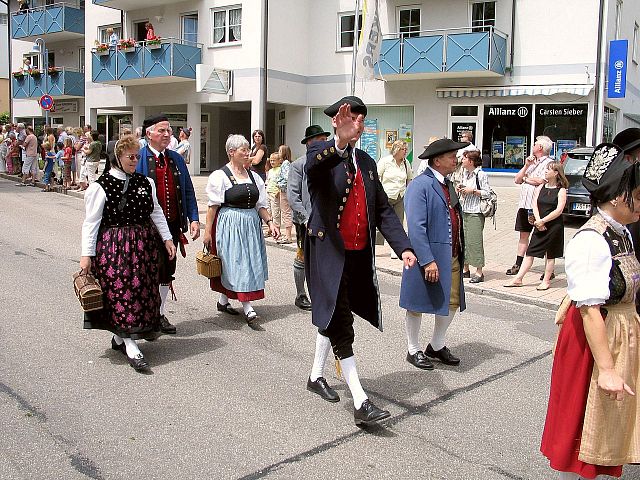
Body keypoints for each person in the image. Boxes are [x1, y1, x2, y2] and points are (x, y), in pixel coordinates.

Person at [304, 96, 416, 425]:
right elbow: (315, 167)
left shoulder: (367, 163)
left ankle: (314, 376)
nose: (358, 125)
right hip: (327, 253)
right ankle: (360, 401)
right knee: (341, 322)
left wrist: (404, 246)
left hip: (356, 257)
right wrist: (337, 141)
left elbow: (382, 209)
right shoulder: (320, 153)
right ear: (338, 122)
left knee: (331, 315)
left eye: (362, 121)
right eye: (352, 119)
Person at [541, 143, 640, 479]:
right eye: (637, 196)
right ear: (615, 198)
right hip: (594, 341)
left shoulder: (621, 232)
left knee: (609, 423)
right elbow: (589, 311)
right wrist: (608, 369)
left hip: (615, 333)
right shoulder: (591, 240)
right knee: (582, 424)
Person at [80, 135, 176, 372]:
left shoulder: (145, 183)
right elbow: (91, 224)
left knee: (141, 291)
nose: (135, 161)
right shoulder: (100, 187)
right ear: (116, 158)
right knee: (122, 294)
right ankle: (131, 346)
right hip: (115, 249)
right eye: (130, 157)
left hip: (144, 248)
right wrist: (86, 254)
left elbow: (156, 212)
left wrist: (167, 238)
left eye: (137, 156)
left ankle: (120, 337)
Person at [400, 138, 469, 371]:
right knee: (417, 303)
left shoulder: (447, 183)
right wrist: (427, 260)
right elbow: (416, 227)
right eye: (451, 156)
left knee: (452, 302)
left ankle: (436, 345)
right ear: (437, 161)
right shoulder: (420, 185)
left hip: (451, 253)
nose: (456, 160)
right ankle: (413, 349)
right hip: (426, 255)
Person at [203, 134, 278, 327]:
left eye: (247, 150)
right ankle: (247, 307)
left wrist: (270, 222)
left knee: (247, 262)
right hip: (230, 225)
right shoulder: (220, 176)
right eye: (243, 150)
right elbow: (212, 207)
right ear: (231, 153)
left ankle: (223, 300)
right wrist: (207, 232)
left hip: (251, 225)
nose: (247, 154)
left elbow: (260, 205)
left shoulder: (254, 176)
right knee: (236, 263)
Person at [136, 114, 200, 334]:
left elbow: (188, 190)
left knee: (167, 270)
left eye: (169, 130)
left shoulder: (176, 158)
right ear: (149, 134)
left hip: (172, 225)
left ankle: (160, 314)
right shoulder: (139, 158)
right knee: (146, 271)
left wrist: (194, 219)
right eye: (162, 130)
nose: (167, 134)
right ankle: (144, 314)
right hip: (145, 228)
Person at [505, 162, 568, 290]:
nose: (545, 172)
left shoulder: (561, 190)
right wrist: (538, 221)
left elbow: (559, 210)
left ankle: (546, 281)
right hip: (539, 225)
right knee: (530, 252)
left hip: (553, 226)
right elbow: (534, 203)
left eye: (548, 170)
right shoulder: (541, 187)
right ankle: (518, 279)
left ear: (556, 173)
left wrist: (544, 221)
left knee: (550, 255)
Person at [287, 125, 329, 311]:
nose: (323, 143)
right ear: (309, 143)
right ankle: (300, 294)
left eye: (324, 140)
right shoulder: (299, 165)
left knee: (325, 258)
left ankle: (322, 293)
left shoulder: (329, 163)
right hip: (306, 221)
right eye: (319, 140)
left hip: (326, 219)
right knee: (303, 257)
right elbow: (293, 196)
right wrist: (304, 218)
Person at [507, 136, 554, 276]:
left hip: (538, 206)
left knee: (543, 236)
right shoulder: (531, 162)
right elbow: (517, 179)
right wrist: (526, 166)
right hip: (524, 204)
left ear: (540, 148)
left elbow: (541, 180)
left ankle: (549, 270)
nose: (532, 146)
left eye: (534, 144)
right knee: (523, 234)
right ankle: (518, 264)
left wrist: (526, 179)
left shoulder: (549, 164)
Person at [456, 149, 491, 283]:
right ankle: (465, 269)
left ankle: (479, 271)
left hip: (476, 211)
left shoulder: (481, 175)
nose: (462, 161)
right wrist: (461, 188)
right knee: (463, 240)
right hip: (464, 209)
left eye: (464, 159)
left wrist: (473, 191)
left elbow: (487, 193)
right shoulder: (465, 173)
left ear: (471, 161)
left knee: (475, 242)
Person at [377, 139, 413, 258]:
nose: (405, 152)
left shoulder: (406, 163)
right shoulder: (385, 161)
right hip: (386, 196)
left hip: (400, 196)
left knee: (398, 223)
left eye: (406, 149)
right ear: (397, 149)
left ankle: (396, 249)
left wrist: (408, 192)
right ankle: (376, 245)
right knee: (382, 221)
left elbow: (409, 179)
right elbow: (377, 177)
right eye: (403, 149)